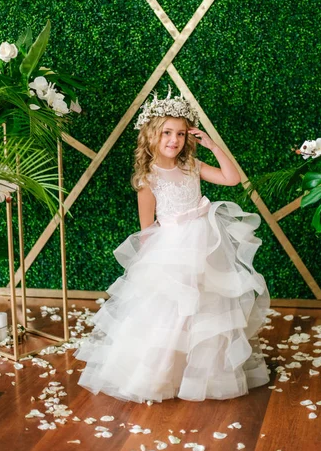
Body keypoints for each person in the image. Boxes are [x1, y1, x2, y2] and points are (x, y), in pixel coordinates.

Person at [75, 89, 270, 403]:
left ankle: (205, 372)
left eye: (180, 133)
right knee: (173, 312)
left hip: (206, 242)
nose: (174, 140)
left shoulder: (192, 165)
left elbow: (231, 179)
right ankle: (164, 372)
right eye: (167, 132)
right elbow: (147, 228)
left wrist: (212, 145)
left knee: (208, 307)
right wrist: (154, 269)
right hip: (172, 248)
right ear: (152, 134)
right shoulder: (148, 178)